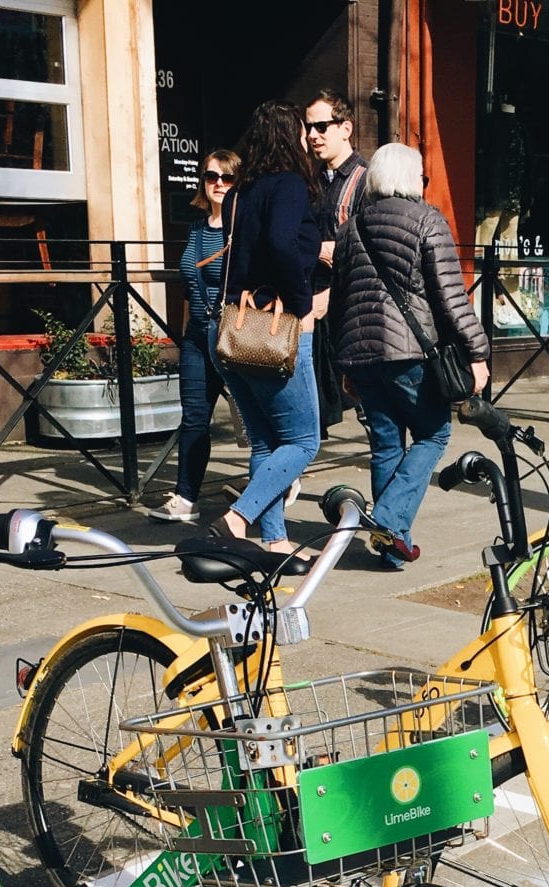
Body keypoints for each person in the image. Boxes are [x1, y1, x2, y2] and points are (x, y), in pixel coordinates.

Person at [330, 142, 490, 570]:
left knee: (385, 443)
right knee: (433, 435)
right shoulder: (427, 222)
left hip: (360, 354)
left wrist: (343, 363)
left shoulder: (350, 230)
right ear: (413, 178)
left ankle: (390, 548)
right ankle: (387, 520)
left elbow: (340, 302)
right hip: (410, 352)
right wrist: (478, 353)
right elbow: (452, 299)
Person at [213, 100, 322, 552]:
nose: (307, 139)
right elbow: (280, 245)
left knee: (265, 441)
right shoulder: (290, 185)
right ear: (288, 137)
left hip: (237, 328)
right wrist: (301, 303)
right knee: (303, 441)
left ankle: (275, 541)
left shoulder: (240, 193)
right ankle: (239, 518)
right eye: (301, 131)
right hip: (276, 328)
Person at [150, 149, 237, 524]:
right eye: (212, 176)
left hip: (234, 339)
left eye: (228, 177)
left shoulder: (242, 229)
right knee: (194, 418)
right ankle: (186, 498)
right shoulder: (197, 229)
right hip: (198, 341)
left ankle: (278, 483)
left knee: (253, 421)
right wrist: (186, 333)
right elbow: (189, 286)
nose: (219, 184)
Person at [305, 90, 368, 433]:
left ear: (346, 128)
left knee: (366, 399)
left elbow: (373, 242)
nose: (314, 134)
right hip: (312, 302)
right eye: (309, 127)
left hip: (352, 305)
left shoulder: (364, 179)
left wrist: (338, 255)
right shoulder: (312, 179)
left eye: (322, 126)